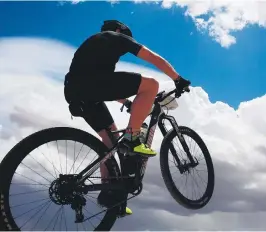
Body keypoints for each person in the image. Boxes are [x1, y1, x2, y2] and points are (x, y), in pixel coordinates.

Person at [63, 20, 191, 216]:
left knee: (110, 142)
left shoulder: (96, 48)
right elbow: (153, 58)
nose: (128, 42)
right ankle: (132, 137)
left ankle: (110, 194)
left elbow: (102, 86)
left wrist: (128, 103)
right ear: (119, 31)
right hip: (90, 86)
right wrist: (177, 78)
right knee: (151, 85)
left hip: (76, 94)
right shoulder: (115, 37)